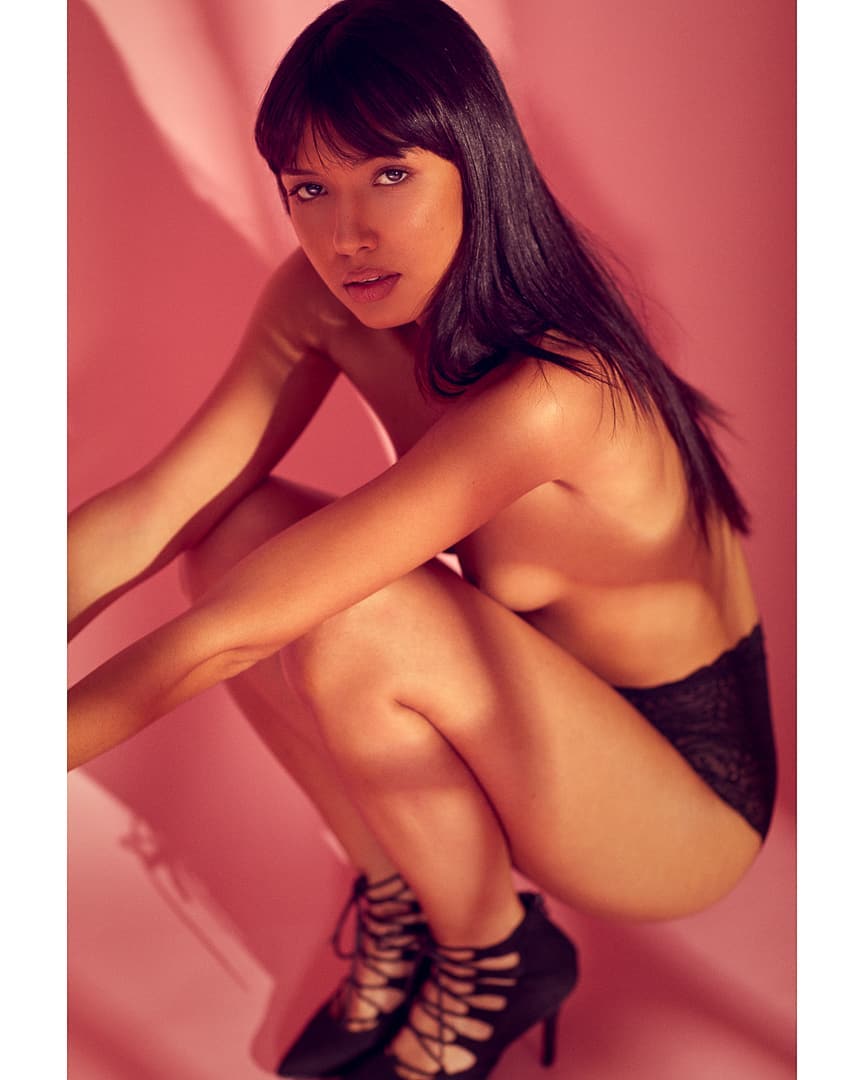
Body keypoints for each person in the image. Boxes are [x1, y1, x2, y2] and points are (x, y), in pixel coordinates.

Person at [67, 0, 778, 1077]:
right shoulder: (320, 302)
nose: (346, 233)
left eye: (389, 174)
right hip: (525, 713)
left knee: (354, 618)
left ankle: (494, 956)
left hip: (678, 796)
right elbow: (155, 512)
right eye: (309, 188)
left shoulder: (553, 393)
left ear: (476, 163)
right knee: (231, 537)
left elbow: (237, 634)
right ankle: (405, 888)